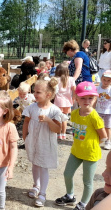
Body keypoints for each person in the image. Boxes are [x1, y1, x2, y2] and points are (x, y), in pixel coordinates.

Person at [55, 81, 107, 210]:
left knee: (87, 181)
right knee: (67, 174)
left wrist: (92, 145)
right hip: (76, 151)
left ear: (95, 99)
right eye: (83, 98)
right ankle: (70, 195)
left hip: (90, 154)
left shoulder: (94, 117)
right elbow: (75, 132)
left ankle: (83, 204)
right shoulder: (74, 114)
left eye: (90, 98)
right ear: (76, 98)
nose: (87, 101)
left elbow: (104, 136)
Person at [22, 77, 63, 207]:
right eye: (34, 91)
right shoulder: (32, 107)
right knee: (35, 163)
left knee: (43, 167)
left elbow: (57, 129)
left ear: (48, 95)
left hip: (45, 143)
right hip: (33, 141)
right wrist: (25, 137)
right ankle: (36, 186)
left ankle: (43, 193)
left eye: (38, 92)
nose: (34, 94)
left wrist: (48, 120)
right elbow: (26, 122)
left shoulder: (54, 110)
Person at [54, 62, 76, 140]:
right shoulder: (71, 79)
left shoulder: (56, 79)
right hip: (67, 101)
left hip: (58, 101)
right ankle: (63, 134)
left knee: (58, 118)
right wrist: (73, 99)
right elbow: (74, 90)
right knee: (65, 118)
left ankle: (58, 133)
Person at [95, 70, 111, 150]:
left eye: (108, 80)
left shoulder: (110, 90)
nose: (106, 82)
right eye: (104, 80)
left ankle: (108, 141)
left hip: (108, 112)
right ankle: (98, 140)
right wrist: (93, 109)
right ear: (101, 79)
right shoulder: (97, 89)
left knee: (107, 127)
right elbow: (94, 99)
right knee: (98, 126)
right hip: (98, 111)